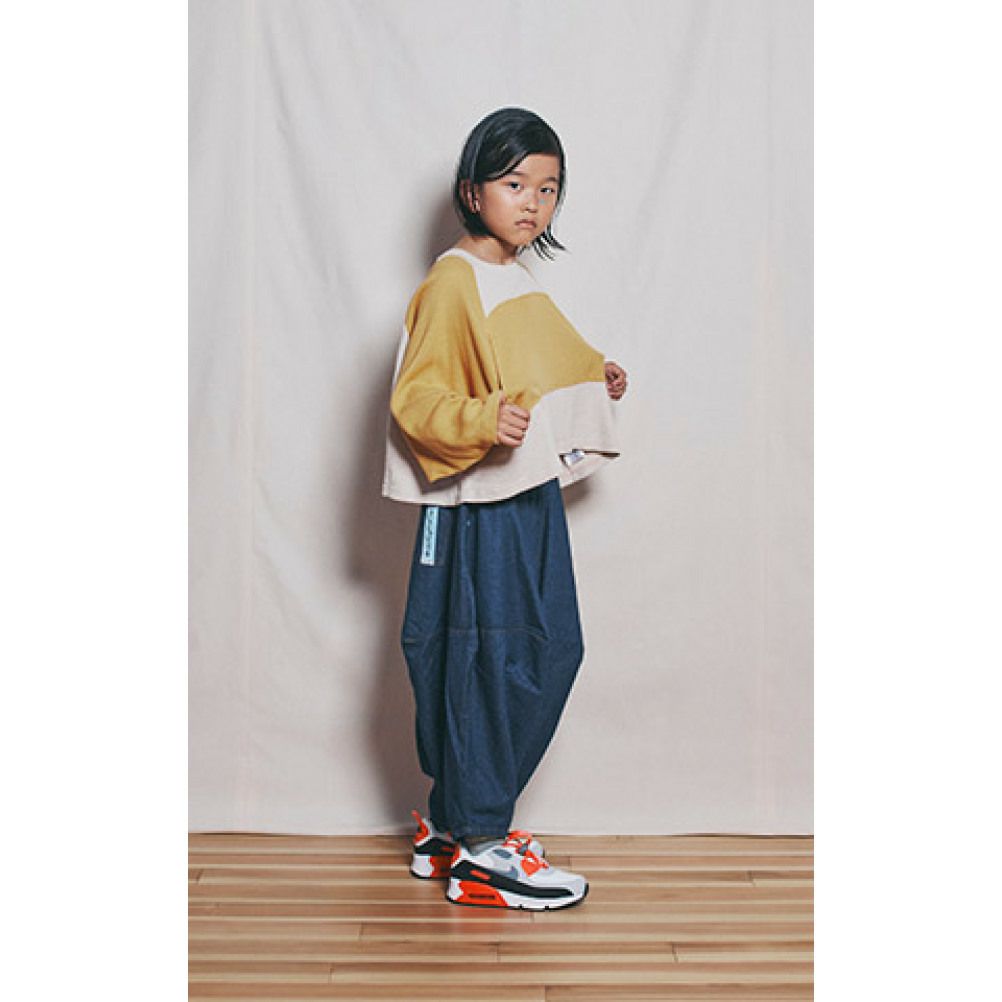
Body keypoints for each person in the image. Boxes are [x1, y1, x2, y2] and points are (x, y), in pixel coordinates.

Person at [381, 107, 629, 910]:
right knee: (485, 654)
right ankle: (483, 847)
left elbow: (545, 364)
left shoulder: (514, 280)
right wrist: (482, 420)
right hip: (477, 499)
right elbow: (416, 398)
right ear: (472, 191)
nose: (533, 202)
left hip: (521, 491)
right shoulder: (453, 280)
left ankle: (454, 826)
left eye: (548, 188)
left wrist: (597, 377)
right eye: (515, 183)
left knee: (537, 647)